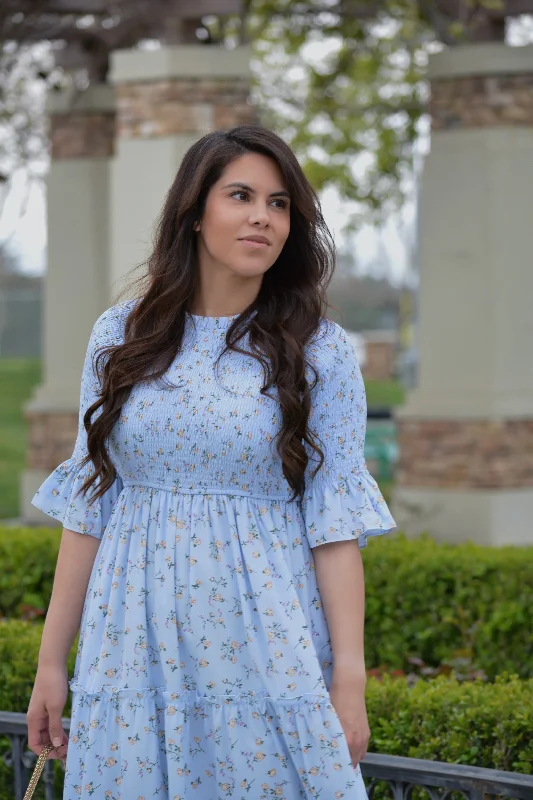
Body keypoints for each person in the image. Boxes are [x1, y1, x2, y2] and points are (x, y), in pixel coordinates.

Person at [26, 124, 396, 800]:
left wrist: (349, 679)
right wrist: (51, 664)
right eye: (241, 195)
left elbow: (334, 522)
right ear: (195, 214)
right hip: (130, 635)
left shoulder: (320, 350)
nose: (263, 216)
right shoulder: (121, 334)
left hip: (261, 633)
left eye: (280, 203)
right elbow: (89, 507)